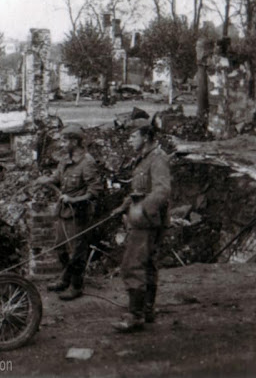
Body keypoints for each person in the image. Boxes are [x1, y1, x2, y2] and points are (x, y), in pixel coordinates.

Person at [111, 118, 171, 332]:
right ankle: (146, 310)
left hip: (146, 222)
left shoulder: (157, 159)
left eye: (132, 136)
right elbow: (139, 189)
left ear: (146, 137)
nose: (129, 140)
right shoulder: (144, 159)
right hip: (143, 219)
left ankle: (135, 315)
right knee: (147, 265)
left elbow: (162, 191)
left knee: (132, 265)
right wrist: (124, 206)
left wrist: (142, 208)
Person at [35, 124, 103, 301]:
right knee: (60, 248)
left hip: (78, 214)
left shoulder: (87, 162)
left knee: (77, 252)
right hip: (64, 212)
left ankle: (76, 285)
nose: (62, 143)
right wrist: (46, 180)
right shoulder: (65, 159)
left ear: (75, 141)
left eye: (65, 140)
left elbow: (94, 191)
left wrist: (74, 200)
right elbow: (58, 178)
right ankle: (65, 279)